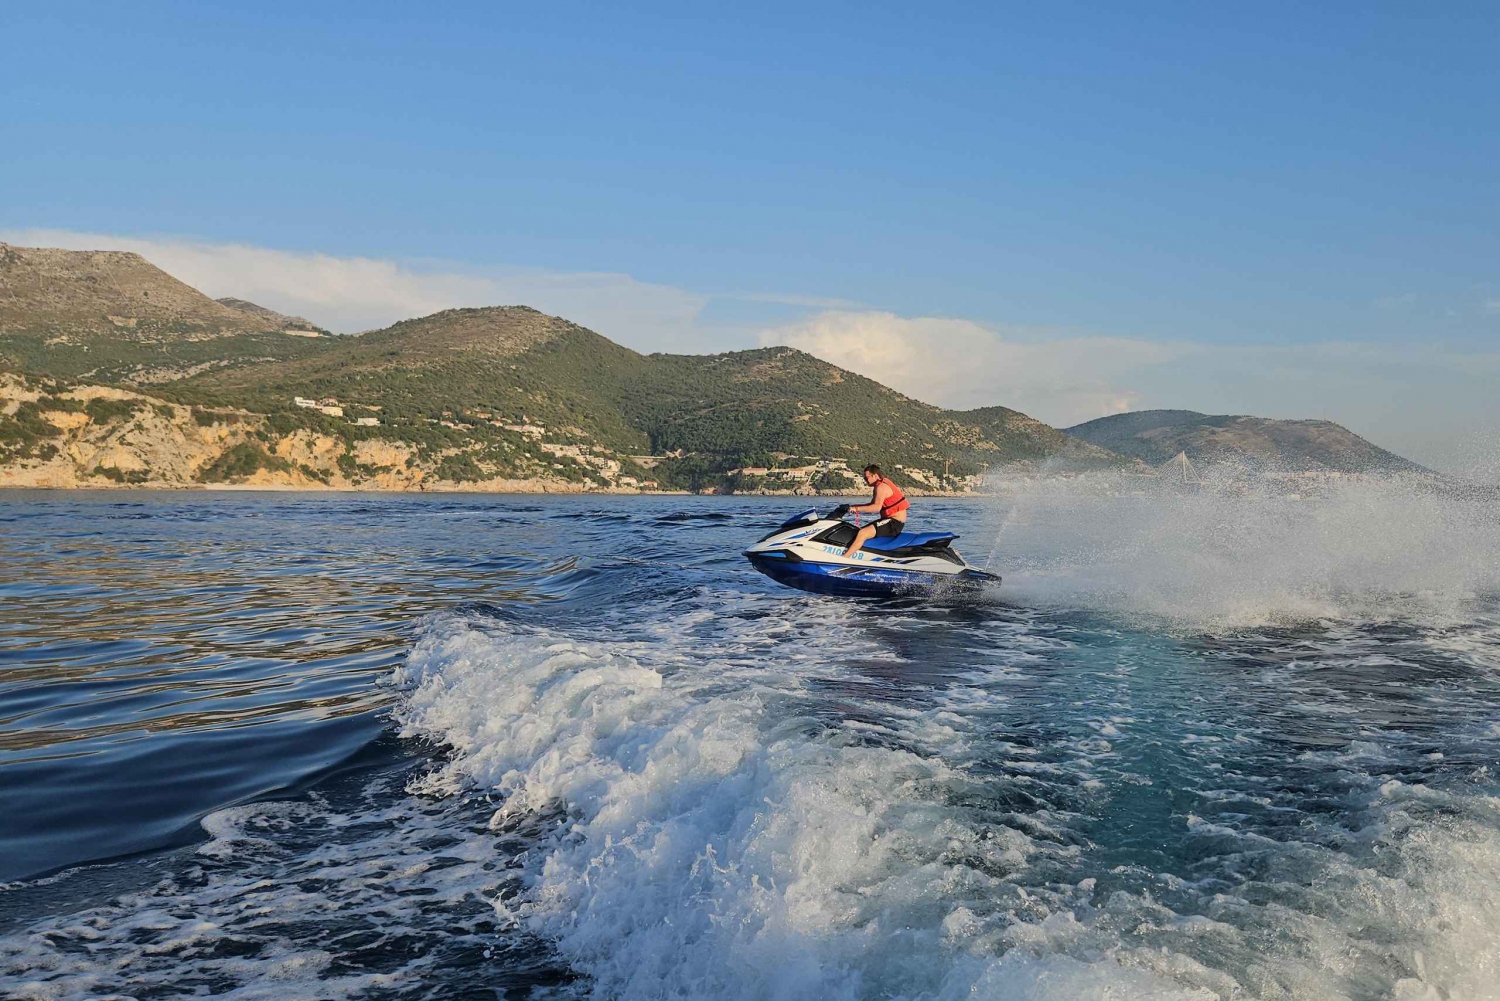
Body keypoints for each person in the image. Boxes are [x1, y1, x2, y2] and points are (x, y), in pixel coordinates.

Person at [832, 464, 909, 557]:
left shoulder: (881, 487)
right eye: (864, 478)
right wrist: (852, 507)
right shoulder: (879, 486)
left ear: (875, 475)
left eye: (867, 477)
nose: (865, 480)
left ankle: (844, 558)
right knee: (858, 531)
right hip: (890, 521)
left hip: (894, 523)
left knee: (863, 533)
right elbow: (870, 505)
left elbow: (876, 508)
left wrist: (856, 509)